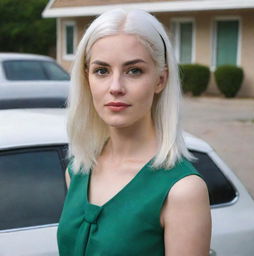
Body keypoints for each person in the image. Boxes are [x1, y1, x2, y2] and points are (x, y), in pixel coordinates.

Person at [57, 8, 211, 256]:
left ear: (160, 80)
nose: (116, 87)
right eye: (102, 71)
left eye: (134, 71)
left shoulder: (182, 191)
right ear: (86, 78)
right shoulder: (77, 170)